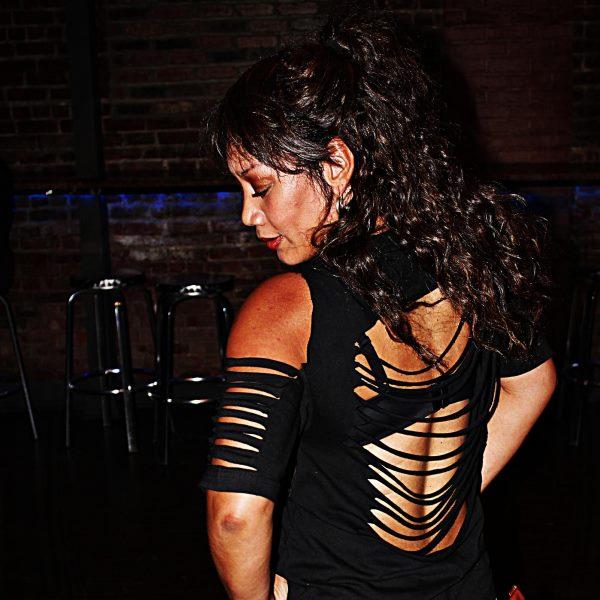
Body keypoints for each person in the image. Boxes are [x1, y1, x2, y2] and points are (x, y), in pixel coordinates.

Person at [199, 12, 557, 600]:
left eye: (260, 186)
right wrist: (452, 498)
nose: (247, 214)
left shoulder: (287, 308)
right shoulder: (471, 264)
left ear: (336, 165)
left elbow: (236, 515)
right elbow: (533, 383)